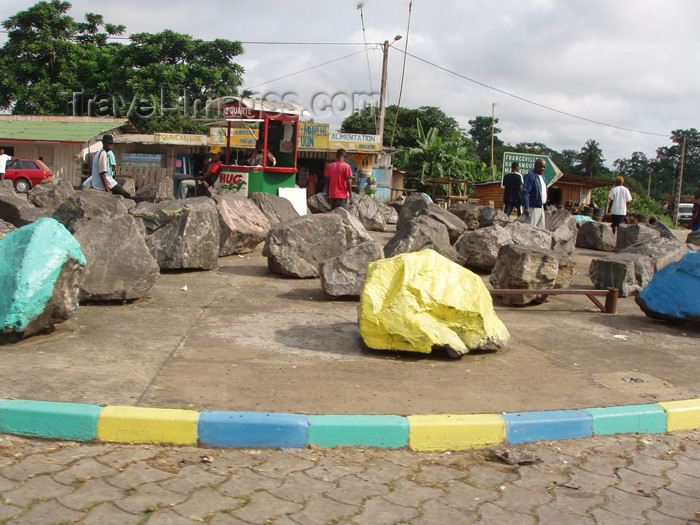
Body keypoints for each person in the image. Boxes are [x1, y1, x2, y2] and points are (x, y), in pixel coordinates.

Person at [90, 134, 132, 199]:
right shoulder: (103, 154)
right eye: (109, 144)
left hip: (99, 183)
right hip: (106, 183)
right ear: (104, 143)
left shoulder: (98, 153)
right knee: (126, 195)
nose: (111, 146)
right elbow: (102, 173)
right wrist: (107, 189)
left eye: (111, 144)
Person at [521, 158, 548, 228]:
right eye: (540, 166)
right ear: (535, 166)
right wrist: (526, 207)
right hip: (533, 207)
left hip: (541, 206)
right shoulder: (530, 176)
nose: (542, 169)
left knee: (541, 229)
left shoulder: (543, 177)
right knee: (530, 227)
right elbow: (526, 192)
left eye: (544, 167)